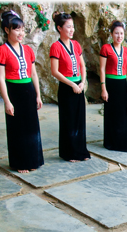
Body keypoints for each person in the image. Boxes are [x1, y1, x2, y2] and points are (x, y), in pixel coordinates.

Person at [0, 10, 44, 173]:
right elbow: (1, 78)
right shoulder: (1, 50)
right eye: (16, 29)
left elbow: (34, 74)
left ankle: (33, 160)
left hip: (28, 89)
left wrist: (38, 95)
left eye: (22, 29)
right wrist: (7, 101)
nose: (21, 33)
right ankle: (20, 163)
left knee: (31, 126)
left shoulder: (28, 50)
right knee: (17, 128)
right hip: (14, 91)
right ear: (7, 30)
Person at [50, 11, 91, 162]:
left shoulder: (76, 44)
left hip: (79, 86)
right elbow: (55, 71)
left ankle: (81, 150)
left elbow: (83, 65)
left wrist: (82, 82)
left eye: (72, 26)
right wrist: (72, 84)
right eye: (68, 27)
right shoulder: (56, 46)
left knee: (79, 120)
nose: (71, 30)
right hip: (67, 88)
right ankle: (69, 153)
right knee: (68, 121)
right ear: (59, 28)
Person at [100, 20, 127, 152]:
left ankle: (122, 141)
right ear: (111, 34)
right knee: (111, 113)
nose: (119, 36)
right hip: (110, 84)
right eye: (116, 33)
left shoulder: (126, 51)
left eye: (121, 33)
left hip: (122, 84)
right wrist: (103, 88)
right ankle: (110, 142)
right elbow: (102, 69)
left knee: (122, 114)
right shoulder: (106, 48)